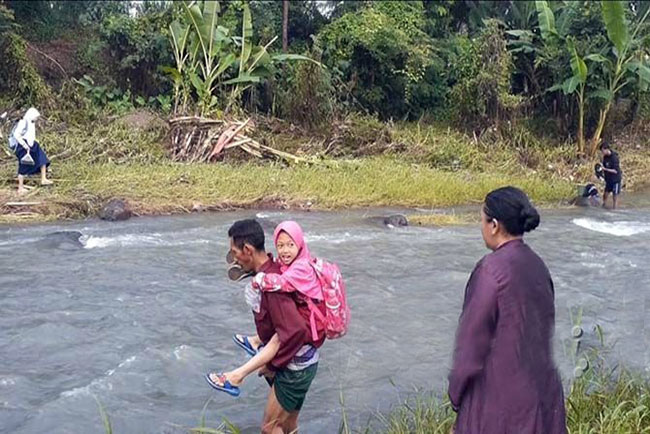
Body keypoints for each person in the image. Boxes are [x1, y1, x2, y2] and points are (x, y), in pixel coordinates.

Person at [448, 186, 566, 434]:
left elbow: (471, 345)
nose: (481, 227)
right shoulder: (538, 266)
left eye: (481, 220)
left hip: (499, 405)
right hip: (544, 396)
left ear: (494, 225)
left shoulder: (490, 271)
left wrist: (456, 396)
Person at [206, 219, 324, 434]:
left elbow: (295, 331)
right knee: (287, 426)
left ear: (248, 250)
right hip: (305, 362)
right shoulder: (274, 268)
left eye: (235, 252)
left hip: (294, 367)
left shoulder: (273, 285)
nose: (233, 258)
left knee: (270, 429)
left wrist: (273, 365)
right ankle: (251, 352)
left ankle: (237, 375)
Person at [8, 108, 52, 195]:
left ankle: (44, 179)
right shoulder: (23, 122)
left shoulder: (32, 122)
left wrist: (35, 142)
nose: (36, 119)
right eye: (36, 117)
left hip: (32, 144)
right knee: (24, 165)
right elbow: (17, 134)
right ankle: (20, 188)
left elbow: (30, 134)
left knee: (42, 158)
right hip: (23, 146)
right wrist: (24, 145)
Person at [600, 141, 622, 209]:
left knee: (615, 196)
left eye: (602, 150)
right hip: (609, 180)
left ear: (606, 149)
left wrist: (605, 169)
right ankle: (603, 206)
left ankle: (615, 209)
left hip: (616, 179)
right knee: (605, 194)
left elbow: (615, 171)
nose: (602, 152)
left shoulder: (614, 157)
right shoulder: (605, 157)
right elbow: (603, 167)